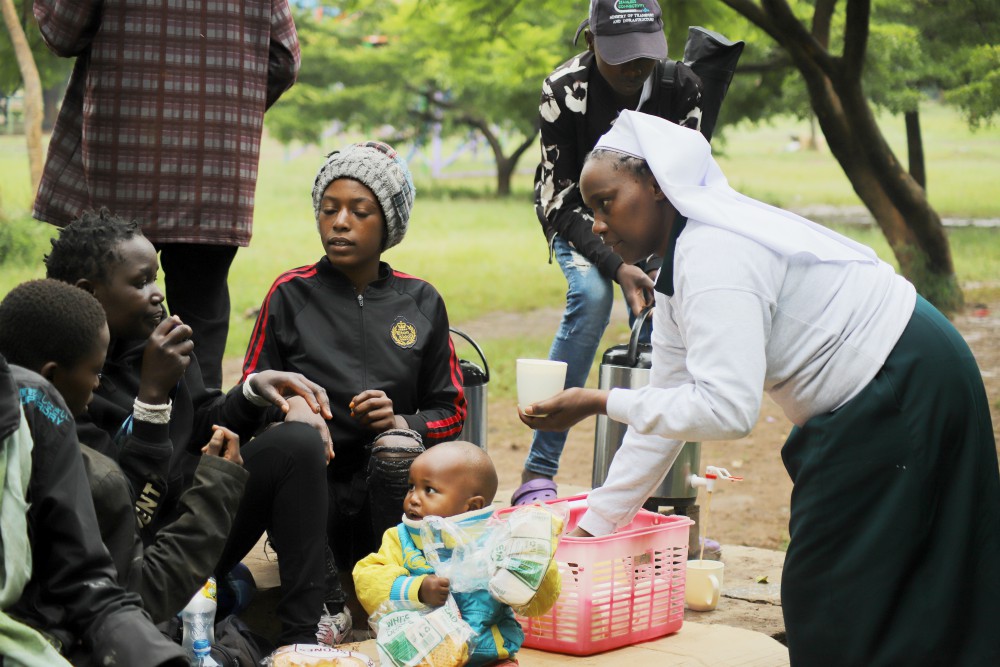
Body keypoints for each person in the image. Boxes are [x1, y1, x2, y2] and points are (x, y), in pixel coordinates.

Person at [520, 110, 1000, 666]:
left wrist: (599, 401)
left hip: (901, 380)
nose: (599, 225)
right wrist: (592, 530)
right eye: (591, 210)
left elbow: (727, 410)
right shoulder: (677, 270)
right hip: (888, 382)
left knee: (835, 584)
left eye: (608, 202)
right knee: (880, 571)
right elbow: (669, 410)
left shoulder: (713, 253)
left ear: (657, 185)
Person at [44, 209, 335, 646]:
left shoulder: (159, 341)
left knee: (296, 444)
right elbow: (119, 510)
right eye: (141, 282)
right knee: (226, 593)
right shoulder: (65, 380)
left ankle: (302, 639)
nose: (158, 294)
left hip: (196, 520)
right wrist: (152, 395)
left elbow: (200, 422)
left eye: (156, 278)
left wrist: (254, 391)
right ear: (91, 294)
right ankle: (205, 605)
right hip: (135, 561)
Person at [242, 140, 467, 639]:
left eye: (359, 211)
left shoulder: (421, 300)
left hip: (389, 500)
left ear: (388, 224)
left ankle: (392, 592)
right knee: (288, 453)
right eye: (329, 209)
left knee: (394, 449)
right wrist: (292, 408)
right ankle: (327, 603)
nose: (339, 222)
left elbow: (452, 410)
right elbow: (249, 397)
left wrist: (400, 422)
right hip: (308, 499)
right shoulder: (289, 293)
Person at [32, 0, 301, 389]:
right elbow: (284, 59)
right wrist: (222, 108)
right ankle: (199, 438)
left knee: (103, 308)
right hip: (216, 167)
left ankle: (98, 431)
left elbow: (61, 31)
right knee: (201, 316)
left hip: (123, 159)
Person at [514, 0, 703, 505]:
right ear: (593, 41)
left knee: (665, 318)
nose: (634, 68)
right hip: (578, 220)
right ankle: (539, 470)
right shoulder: (564, 91)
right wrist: (617, 265)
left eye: (643, 55)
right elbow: (557, 198)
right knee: (594, 297)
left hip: (655, 226)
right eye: (620, 55)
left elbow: (689, 185)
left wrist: (657, 268)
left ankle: (655, 487)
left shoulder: (679, 87)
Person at [0, 278, 250, 625]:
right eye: (95, 371)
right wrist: (217, 483)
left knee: (239, 585)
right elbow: (139, 597)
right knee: (230, 601)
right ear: (53, 376)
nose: (98, 382)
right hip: (75, 630)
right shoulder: (89, 470)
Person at [0, 353, 188, 665]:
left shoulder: (32, 402)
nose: (99, 383)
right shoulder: (102, 478)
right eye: (94, 371)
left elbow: (89, 583)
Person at [353, 439, 560, 666]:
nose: (413, 498)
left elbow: (539, 603)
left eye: (429, 490)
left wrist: (533, 567)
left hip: (490, 654)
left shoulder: (497, 540)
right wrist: (417, 589)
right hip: (426, 655)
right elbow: (368, 578)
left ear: (472, 506)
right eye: (411, 486)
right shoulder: (401, 538)